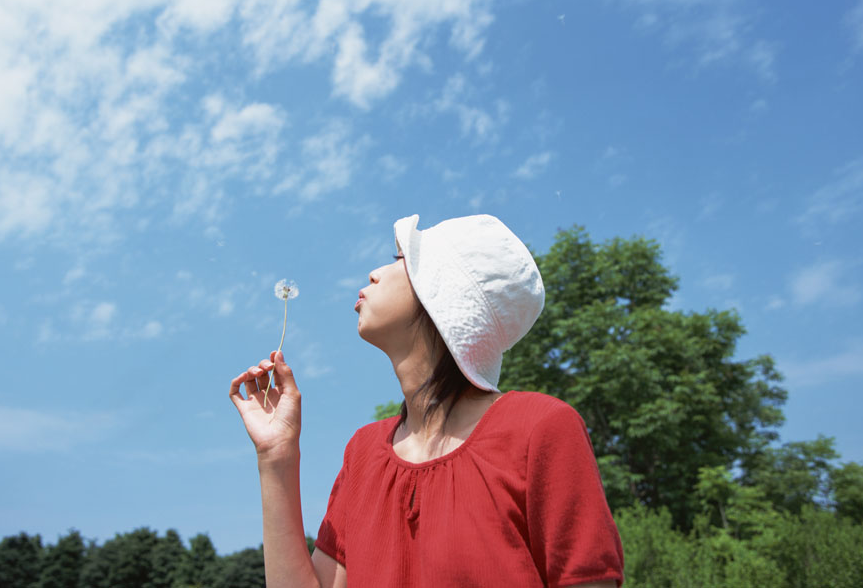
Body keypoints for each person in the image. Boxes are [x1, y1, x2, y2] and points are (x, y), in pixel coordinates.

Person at [230, 214, 624, 587]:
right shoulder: (363, 453)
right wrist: (276, 456)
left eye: (400, 259)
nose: (375, 273)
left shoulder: (540, 428)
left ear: (443, 297)